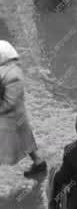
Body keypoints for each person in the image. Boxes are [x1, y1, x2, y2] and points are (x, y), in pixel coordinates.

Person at [0, 40, 47, 178]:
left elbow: (9, 102)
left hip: (9, 120)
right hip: (15, 118)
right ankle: (39, 163)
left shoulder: (12, 74)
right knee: (26, 142)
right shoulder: (8, 69)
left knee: (10, 145)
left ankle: (39, 163)